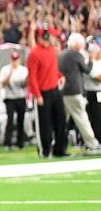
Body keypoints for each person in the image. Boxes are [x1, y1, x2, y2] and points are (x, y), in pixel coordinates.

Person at [26, 25, 66, 158]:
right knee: (44, 123)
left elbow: (52, 69)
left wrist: (60, 76)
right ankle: (45, 150)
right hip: (43, 93)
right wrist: (37, 95)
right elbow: (32, 77)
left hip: (55, 90)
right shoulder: (34, 53)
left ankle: (59, 149)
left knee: (61, 119)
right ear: (44, 36)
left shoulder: (51, 50)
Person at [59, 32, 101, 155]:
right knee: (82, 118)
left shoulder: (62, 54)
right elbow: (87, 70)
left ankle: (59, 145)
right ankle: (93, 145)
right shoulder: (75, 55)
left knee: (62, 121)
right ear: (77, 44)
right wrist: (92, 59)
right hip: (74, 91)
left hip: (64, 91)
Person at [0, 51, 28, 150]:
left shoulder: (23, 70)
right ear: (11, 60)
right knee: (9, 120)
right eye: (13, 60)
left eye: (16, 60)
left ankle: (20, 143)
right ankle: (8, 143)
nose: (15, 62)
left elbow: (25, 84)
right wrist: (9, 75)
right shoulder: (5, 69)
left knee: (21, 120)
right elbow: (1, 84)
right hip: (9, 98)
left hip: (21, 97)